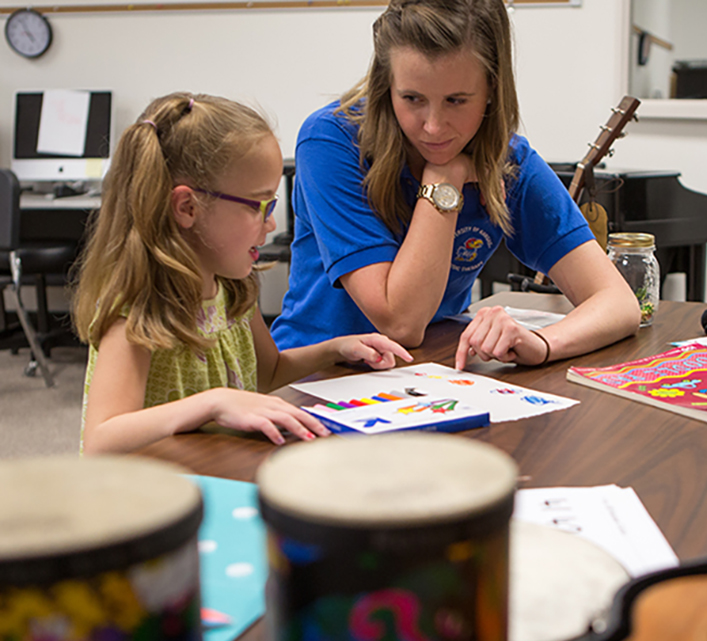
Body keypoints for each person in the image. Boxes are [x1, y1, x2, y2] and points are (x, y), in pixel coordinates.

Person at [270, 0, 640, 369]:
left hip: (432, 373)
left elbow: (618, 304)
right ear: (387, 85)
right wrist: (444, 178)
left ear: (493, 88)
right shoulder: (331, 141)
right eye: (412, 98)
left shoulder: (509, 161)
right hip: (314, 376)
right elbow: (401, 323)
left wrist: (543, 343)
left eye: (456, 101)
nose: (433, 126)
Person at [73, 93, 413, 455]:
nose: (270, 224)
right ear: (188, 207)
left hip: (212, 473)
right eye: (258, 206)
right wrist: (213, 403)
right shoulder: (140, 306)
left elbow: (267, 374)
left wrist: (337, 348)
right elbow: (101, 439)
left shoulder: (231, 289)